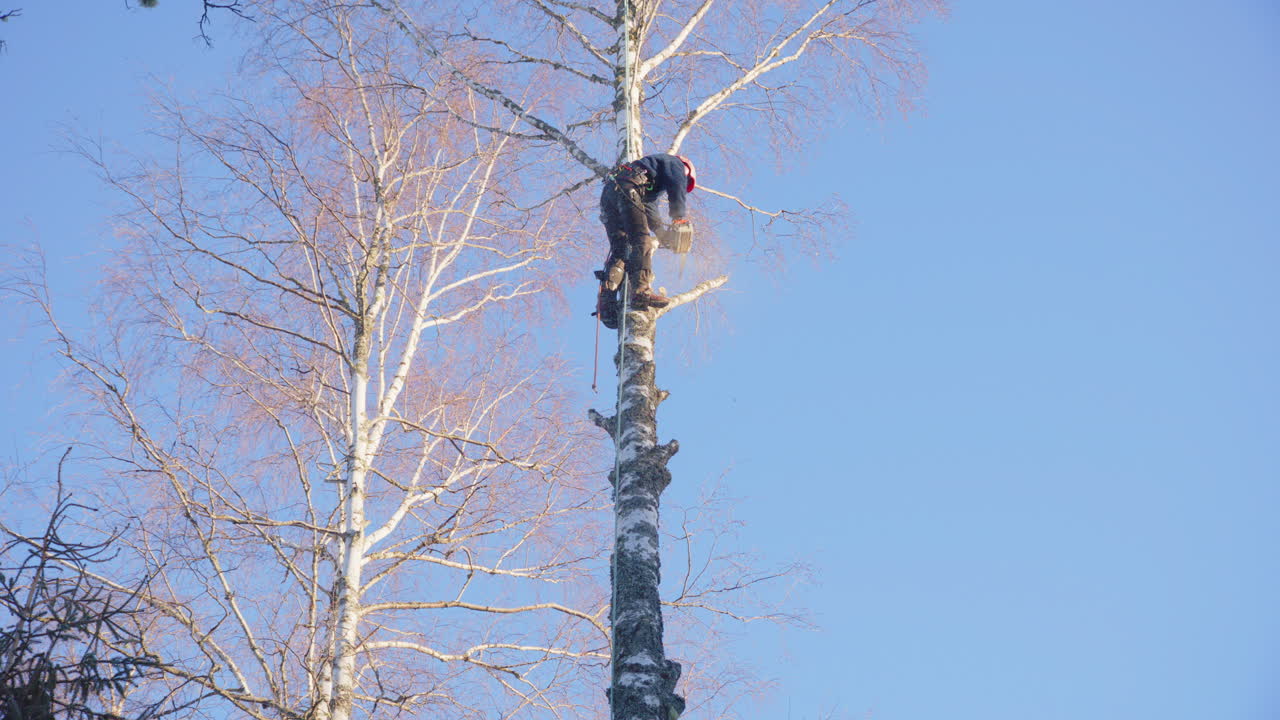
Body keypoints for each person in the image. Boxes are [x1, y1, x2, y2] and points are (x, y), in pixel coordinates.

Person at [595, 153, 696, 329]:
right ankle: (641, 292)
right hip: (629, 187)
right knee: (642, 240)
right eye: (685, 180)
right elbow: (677, 188)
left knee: (621, 250)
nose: (682, 182)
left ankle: (606, 304)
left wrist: (664, 235)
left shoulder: (651, 182)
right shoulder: (676, 163)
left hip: (610, 195)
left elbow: (650, 210)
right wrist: (679, 218)